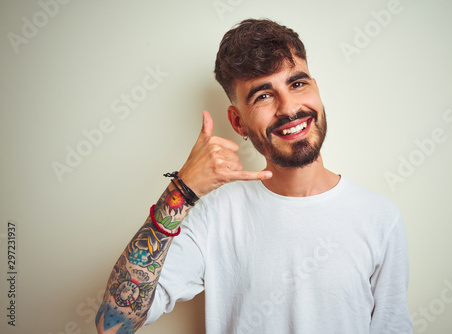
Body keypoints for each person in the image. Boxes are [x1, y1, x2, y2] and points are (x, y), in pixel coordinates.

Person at [96, 18, 413, 334]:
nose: (288, 108)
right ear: (238, 123)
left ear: (315, 88)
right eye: (263, 95)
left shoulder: (380, 218)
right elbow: (113, 323)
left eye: (297, 83)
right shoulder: (215, 217)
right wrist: (181, 191)